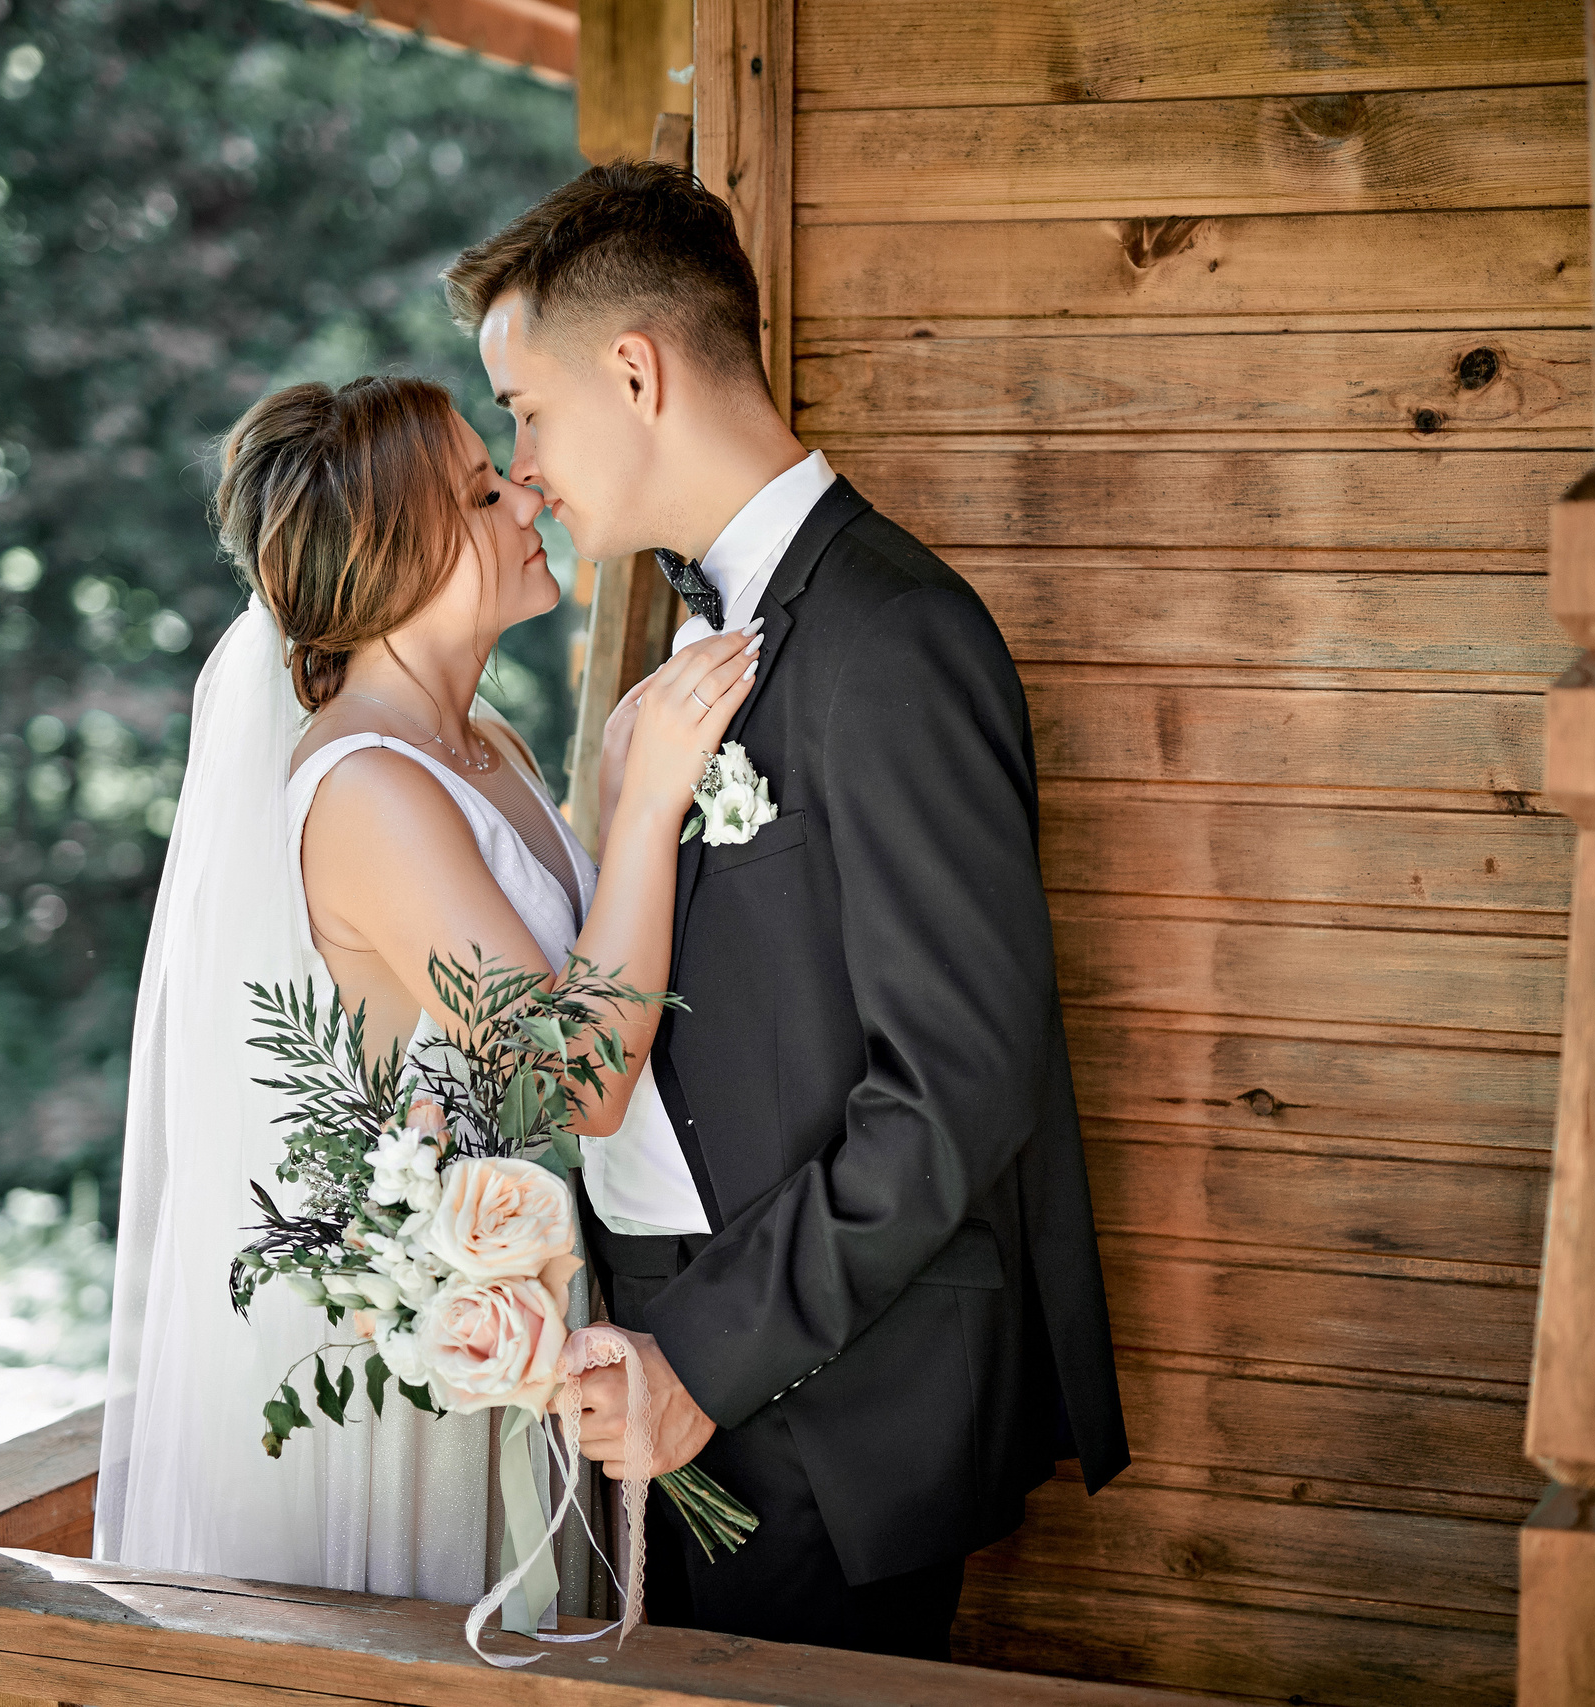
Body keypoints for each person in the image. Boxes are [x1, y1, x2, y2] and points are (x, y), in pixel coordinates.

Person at [443, 161, 1130, 1660]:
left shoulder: (895, 636)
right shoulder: (691, 636)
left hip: (829, 1407)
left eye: (526, 411)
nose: (525, 462)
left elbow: (958, 1085)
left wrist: (702, 1349)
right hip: (654, 1386)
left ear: (635, 370)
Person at [94, 374, 759, 1602]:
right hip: (417, 1395)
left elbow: (571, 975)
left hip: (531, 1318)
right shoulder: (366, 792)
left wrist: (615, 800)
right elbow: (578, 1076)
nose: (524, 496)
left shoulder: (481, 746)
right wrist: (657, 799)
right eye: (476, 490)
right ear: (393, 552)